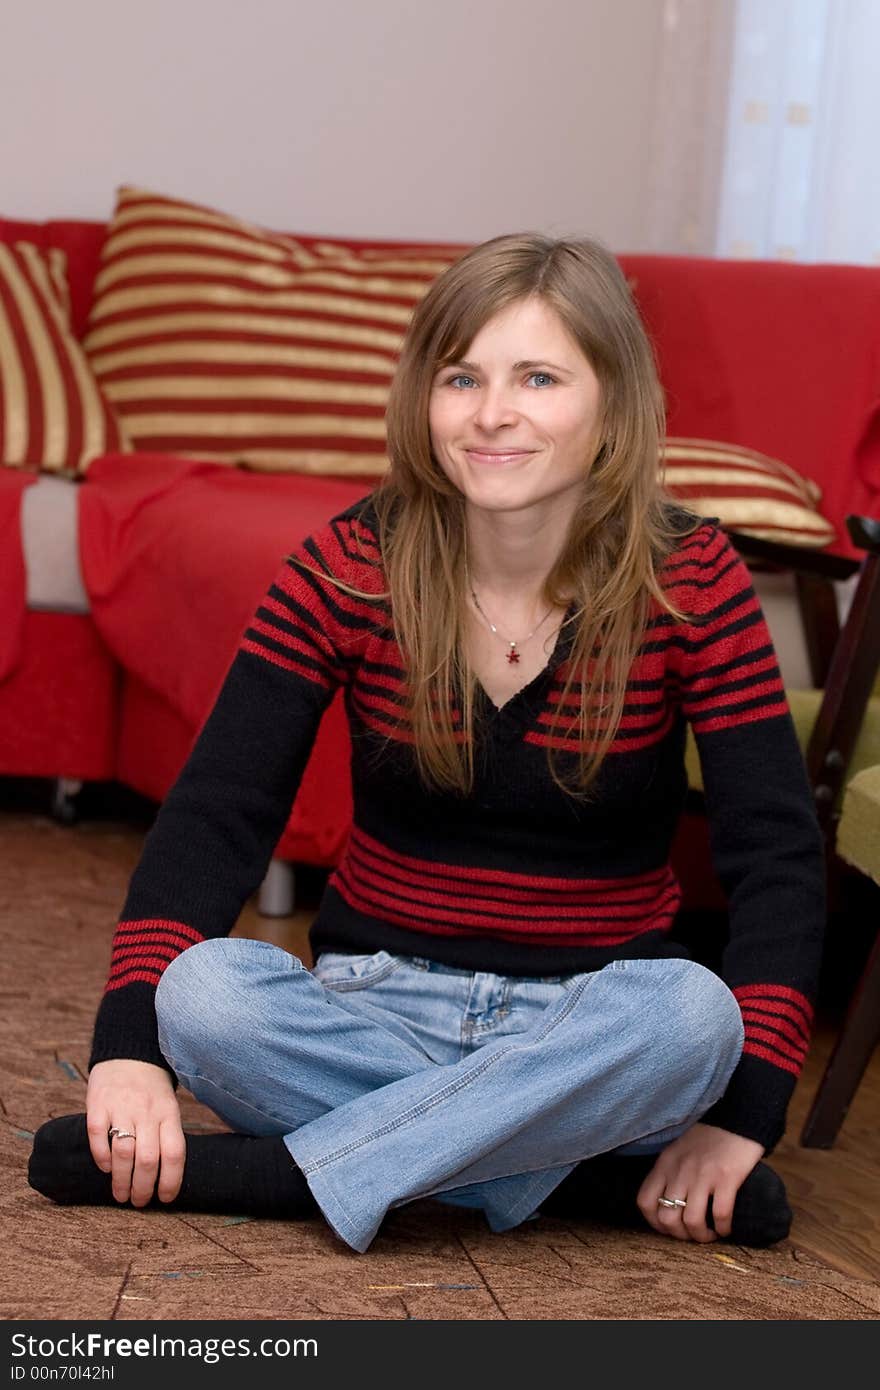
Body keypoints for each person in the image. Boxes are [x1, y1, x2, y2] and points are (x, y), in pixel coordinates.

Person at [28, 233, 825, 1253]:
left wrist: (740, 1114)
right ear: (423, 398)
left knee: (693, 1020)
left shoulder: (693, 580)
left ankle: (287, 1176)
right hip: (374, 1007)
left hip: (594, 1025)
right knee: (205, 993)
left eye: (537, 376)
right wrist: (130, 1047)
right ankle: (563, 1172)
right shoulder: (347, 564)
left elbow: (776, 858)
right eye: (462, 376)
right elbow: (218, 813)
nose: (492, 412)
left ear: (612, 405)